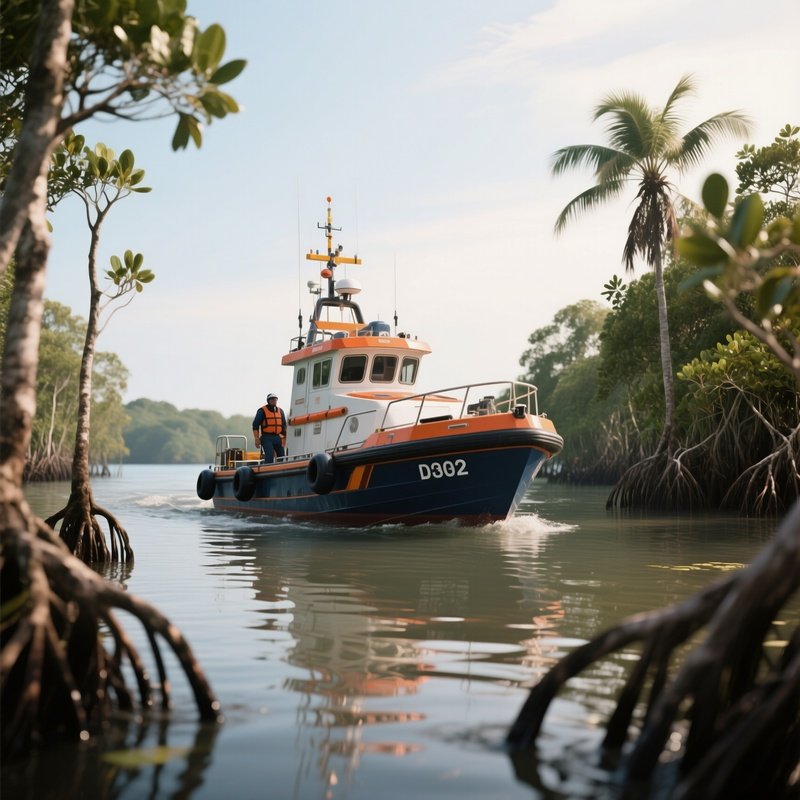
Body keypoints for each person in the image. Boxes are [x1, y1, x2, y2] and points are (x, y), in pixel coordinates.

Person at [252, 393, 287, 463]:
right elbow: (255, 425)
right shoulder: (262, 411)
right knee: (269, 456)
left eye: (275, 399)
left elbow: (284, 426)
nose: (274, 400)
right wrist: (256, 439)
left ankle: (280, 471)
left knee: (282, 455)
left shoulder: (280, 411)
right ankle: (267, 470)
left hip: (278, 437)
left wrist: (283, 439)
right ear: (268, 401)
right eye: (272, 399)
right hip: (267, 438)